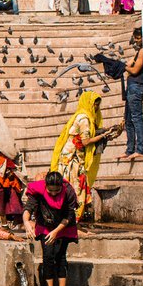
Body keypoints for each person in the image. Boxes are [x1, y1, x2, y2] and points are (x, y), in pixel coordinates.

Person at [51, 91, 123, 222]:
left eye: (97, 105)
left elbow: (93, 134)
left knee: (72, 189)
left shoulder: (83, 116)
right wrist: (105, 135)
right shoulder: (84, 119)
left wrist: (111, 132)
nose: (96, 108)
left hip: (71, 158)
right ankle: (72, 223)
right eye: (95, 105)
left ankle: (70, 222)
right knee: (76, 189)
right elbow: (86, 141)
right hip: (72, 161)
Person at [23, 171, 78, 286]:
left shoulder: (68, 192)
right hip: (45, 225)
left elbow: (69, 215)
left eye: (57, 191)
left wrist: (56, 232)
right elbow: (29, 207)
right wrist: (26, 222)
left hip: (63, 226)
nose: (53, 193)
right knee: (48, 256)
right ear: (45, 186)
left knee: (60, 256)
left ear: (61, 187)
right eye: (50, 191)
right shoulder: (38, 190)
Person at [117, 28, 143, 160]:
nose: (136, 40)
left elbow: (134, 70)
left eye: (138, 37)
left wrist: (124, 67)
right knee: (128, 120)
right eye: (135, 37)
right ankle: (130, 150)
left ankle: (140, 149)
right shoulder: (138, 52)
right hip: (131, 87)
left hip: (137, 86)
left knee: (136, 118)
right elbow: (130, 64)